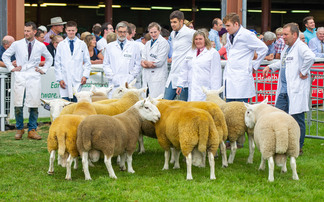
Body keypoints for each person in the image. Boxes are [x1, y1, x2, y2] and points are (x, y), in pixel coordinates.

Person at [263, 23, 315, 155]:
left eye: (286, 34)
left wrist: (303, 71)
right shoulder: (287, 47)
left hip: (295, 89)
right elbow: (283, 62)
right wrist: (271, 67)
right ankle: (280, 145)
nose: (283, 37)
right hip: (284, 91)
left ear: (295, 35)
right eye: (283, 34)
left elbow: (311, 57)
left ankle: (298, 146)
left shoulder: (300, 47)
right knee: (278, 117)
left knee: (297, 119)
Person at [2, 21, 53, 140]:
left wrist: (43, 69)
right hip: (20, 75)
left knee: (34, 104)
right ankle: (19, 129)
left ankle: (32, 129)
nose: (26, 33)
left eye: (28, 31)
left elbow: (50, 58)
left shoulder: (41, 46)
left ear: (34, 32)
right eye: (25, 31)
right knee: (18, 103)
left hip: (34, 76)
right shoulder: (17, 44)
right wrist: (11, 68)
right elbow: (5, 56)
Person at [223, 13, 267, 103]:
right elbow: (229, 48)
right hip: (230, 75)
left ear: (236, 24)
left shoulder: (247, 35)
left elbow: (263, 48)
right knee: (229, 109)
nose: (226, 28)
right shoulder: (229, 35)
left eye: (228, 26)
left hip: (241, 76)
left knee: (241, 109)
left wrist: (254, 65)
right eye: (225, 26)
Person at [176, 30, 222, 101]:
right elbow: (185, 69)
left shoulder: (213, 53)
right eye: (196, 39)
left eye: (200, 39)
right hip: (192, 88)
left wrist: (215, 92)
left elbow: (216, 74)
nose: (198, 41)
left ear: (205, 40)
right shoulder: (190, 52)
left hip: (207, 89)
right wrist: (180, 84)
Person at [54, 21, 91, 102]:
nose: (71, 32)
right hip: (65, 78)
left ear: (76, 30)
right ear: (66, 30)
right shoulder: (61, 45)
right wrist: (60, 79)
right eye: (69, 30)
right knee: (65, 104)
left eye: (73, 30)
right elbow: (57, 63)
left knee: (77, 104)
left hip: (78, 78)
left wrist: (85, 76)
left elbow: (87, 62)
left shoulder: (82, 44)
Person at [164, 10, 195, 101]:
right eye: (171, 22)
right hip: (173, 73)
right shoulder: (173, 34)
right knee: (165, 102)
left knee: (183, 106)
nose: (172, 24)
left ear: (181, 21)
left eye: (175, 22)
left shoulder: (191, 33)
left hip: (184, 75)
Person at [103, 22, 141, 92]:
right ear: (116, 31)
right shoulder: (109, 47)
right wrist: (113, 77)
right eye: (120, 32)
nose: (122, 34)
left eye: (124, 32)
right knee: (114, 101)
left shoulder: (134, 46)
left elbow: (138, 64)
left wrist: (131, 76)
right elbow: (106, 64)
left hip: (129, 82)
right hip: (114, 83)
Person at [141, 22, 170, 98]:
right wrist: (147, 63)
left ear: (159, 31)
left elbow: (159, 62)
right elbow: (142, 59)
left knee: (156, 100)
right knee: (146, 100)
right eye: (151, 32)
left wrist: (146, 63)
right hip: (147, 77)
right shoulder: (147, 44)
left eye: (155, 32)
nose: (153, 34)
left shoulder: (164, 43)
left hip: (158, 77)